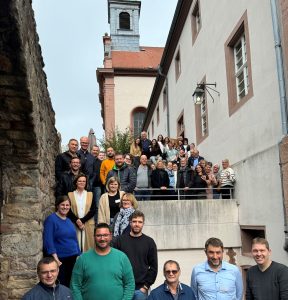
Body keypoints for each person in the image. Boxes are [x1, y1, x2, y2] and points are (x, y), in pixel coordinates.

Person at [70, 223, 135, 300]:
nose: (102, 238)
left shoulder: (122, 257)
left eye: (105, 235)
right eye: (98, 235)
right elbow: (75, 285)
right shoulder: (83, 259)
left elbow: (130, 284)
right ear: (94, 237)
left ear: (110, 236)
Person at [114, 211, 158, 300]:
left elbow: (154, 267)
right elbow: (114, 264)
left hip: (141, 290)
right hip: (123, 288)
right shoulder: (120, 241)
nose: (137, 224)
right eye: (134, 221)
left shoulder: (149, 242)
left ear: (143, 224)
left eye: (140, 222)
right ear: (130, 223)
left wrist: (146, 286)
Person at [43, 196, 80, 287]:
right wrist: (55, 258)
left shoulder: (68, 221)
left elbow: (74, 239)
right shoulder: (51, 219)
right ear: (57, 206)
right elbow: (48, 240)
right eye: (62, 205)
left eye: (67, 205)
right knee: (61, 285)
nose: (65, 207)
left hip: (72, 258)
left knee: (71, 284)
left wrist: (79, 253)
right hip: (60, 260)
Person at [68, 174, 96, 252]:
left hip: (87, 223)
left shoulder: (90, 194)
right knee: (75, 246)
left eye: (84, 181)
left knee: (88, 246)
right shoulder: (70, 195)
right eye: (80, 181)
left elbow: (93, 210)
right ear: (76, 182)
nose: (82, 182)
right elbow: (68, 211)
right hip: (74, 223)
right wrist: (77, 221)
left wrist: (82, 221)